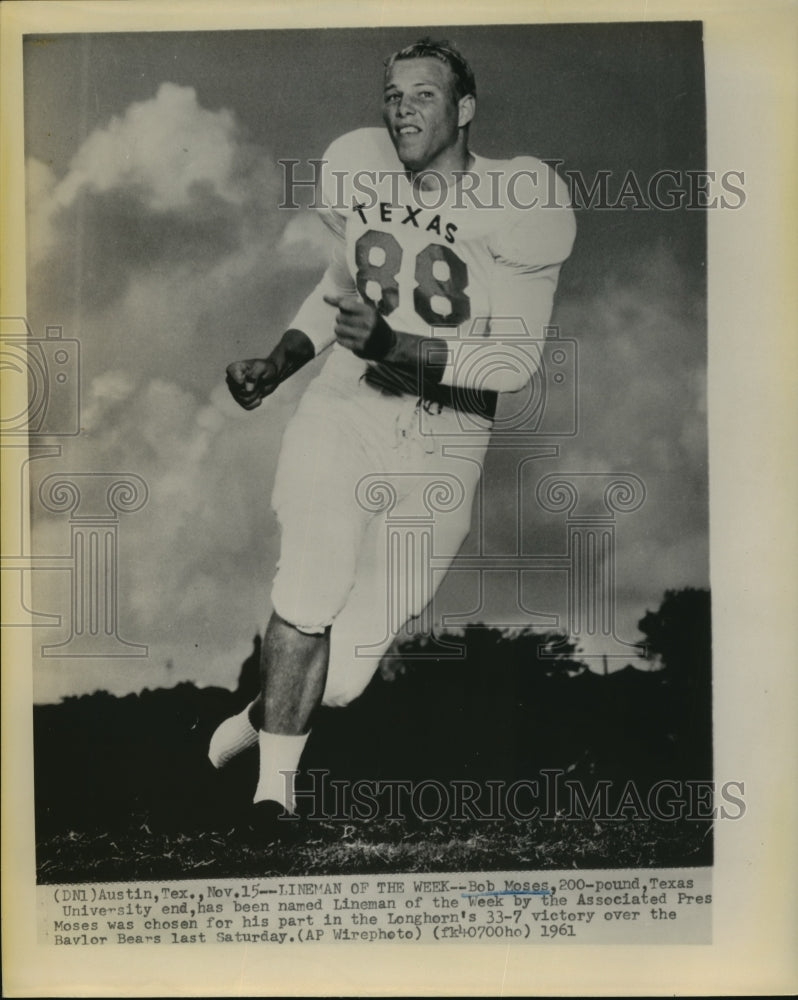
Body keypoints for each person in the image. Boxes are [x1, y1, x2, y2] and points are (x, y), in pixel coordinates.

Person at [209, 38, 576, 833]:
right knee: (310, 579)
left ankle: (261, 714)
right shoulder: (359, 165)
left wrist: (398, 348)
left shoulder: (525, 198)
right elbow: (341, 285)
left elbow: (512, 362)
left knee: (342, 677)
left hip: (449, 431)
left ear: (465, 110)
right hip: (348, 404)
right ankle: (275, 795)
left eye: (424, 95)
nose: (402, 109)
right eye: (393, 94)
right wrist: (278, 364)